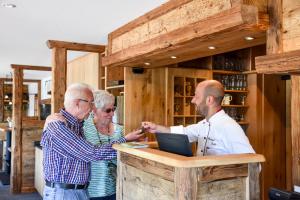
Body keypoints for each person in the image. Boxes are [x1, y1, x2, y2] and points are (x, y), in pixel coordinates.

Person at [41, 83, 143, 200]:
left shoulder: (77, 125)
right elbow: (92, 153)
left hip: (78, 191)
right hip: (64, 193)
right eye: (91, 102)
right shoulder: (57, 126)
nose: (92, 107)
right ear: (78, 103)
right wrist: (125, 141)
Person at [142, 80, 255, 156]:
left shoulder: (230, 127)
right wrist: (156, 127)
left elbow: (254, 163)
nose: (192, 100)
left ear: (209, 100)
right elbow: (184, 132)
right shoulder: (203, 124)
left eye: (196, 96)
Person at [83, 90, 123, 200]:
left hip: (116, 189)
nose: (112, 114)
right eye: (108, 110)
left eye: (113, 109)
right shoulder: (84, 128)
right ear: (94, 110)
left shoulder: (119, 130)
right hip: (92, 191)